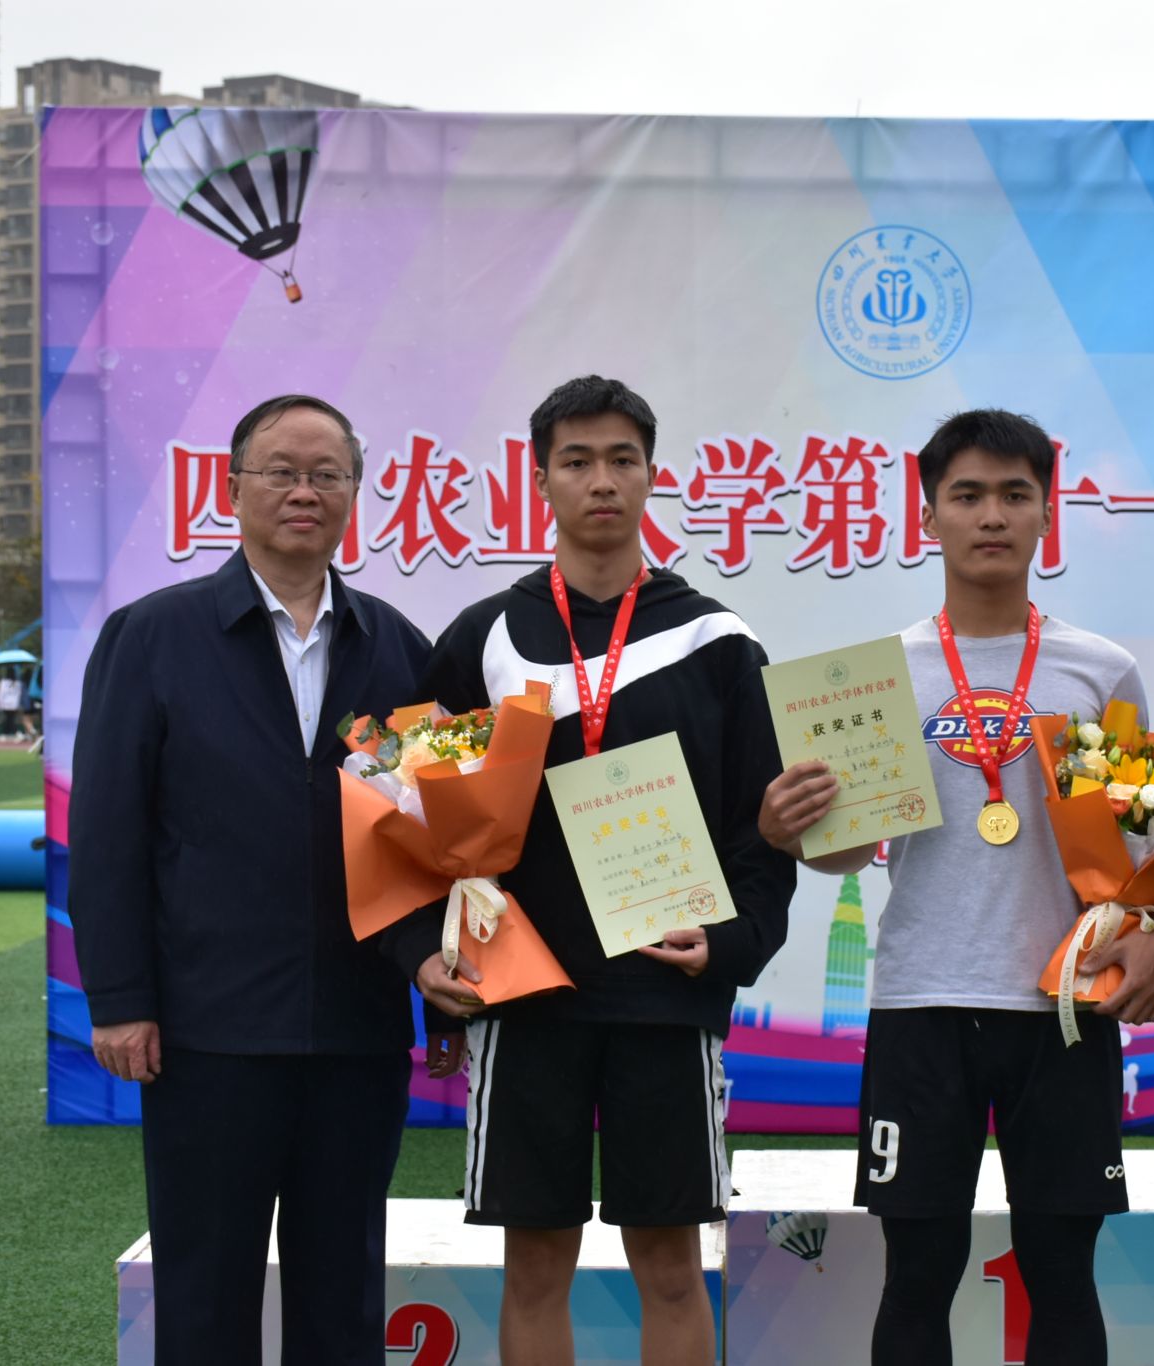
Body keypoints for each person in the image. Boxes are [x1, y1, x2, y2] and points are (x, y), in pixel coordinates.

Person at [384, 375, 793, 1366]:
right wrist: (424, 948)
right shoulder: (483, 639)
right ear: (540, 480)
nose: (600, 480)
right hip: (524, 992)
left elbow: (763, 826)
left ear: (652, 476)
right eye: (576, 461)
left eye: (621, 459)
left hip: (665, 995)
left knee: (670, 1265)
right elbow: (409, 808)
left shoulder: (718, 639)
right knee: (534, 1267)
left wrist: (730, 941)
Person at [758, 409, 1154, 1366]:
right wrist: (791, 830)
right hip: (922, 1002)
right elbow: (839, 857)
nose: (993, 516)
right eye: (969, 495)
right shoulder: (877, 678)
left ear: (1046, 515)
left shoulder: (1102, 671)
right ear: (929, 515)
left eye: (1015, 495)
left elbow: (1144, 845)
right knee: (918, 1270)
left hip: (1065, 1004)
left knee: (1062, 1268)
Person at [67, 395, 433, 1364]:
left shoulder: (397, 647)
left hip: (356, 1032)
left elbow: (425, 839)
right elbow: (105, 832)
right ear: (232, 490)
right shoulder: (154, 636)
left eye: (327, 474)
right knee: (205, 1299)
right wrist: (120, 999)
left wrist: (445, 984)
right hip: (207, 1034)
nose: (304, 491)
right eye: (280, 471)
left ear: (356, 492)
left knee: (342, 1300)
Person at [0, 667, 25, 742]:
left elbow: (0, 693)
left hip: (5, 704)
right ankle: (4, 734)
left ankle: (17, 733)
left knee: (9, 719)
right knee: (9, 719)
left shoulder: (3, 682)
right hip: (14, 704)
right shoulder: (18, 683)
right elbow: (19, 694)